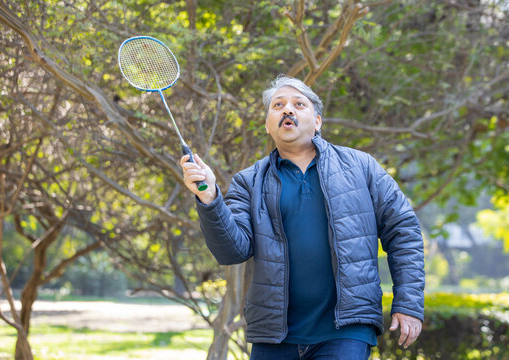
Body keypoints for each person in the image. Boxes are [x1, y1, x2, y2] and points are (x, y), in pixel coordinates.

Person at [180, 75, 425, 360]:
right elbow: (232, 251)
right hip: (274, 336)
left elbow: (403, 231)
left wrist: (408, 303)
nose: (288, 110)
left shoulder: (362, 167)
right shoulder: (248, 182)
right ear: (267, 125)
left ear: (318, 121)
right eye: (278, 105)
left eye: (299, 104)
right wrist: (210, 198)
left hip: (345, 331)